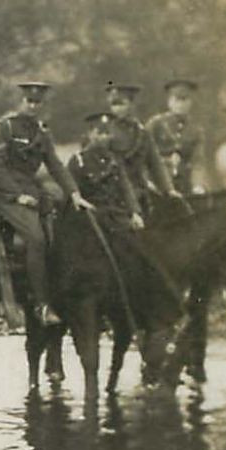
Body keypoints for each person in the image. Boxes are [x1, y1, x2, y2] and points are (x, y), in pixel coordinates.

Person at [0, 81, 94, 324]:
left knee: (62, 229)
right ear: (21, 102)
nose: (33, 106)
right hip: (6, 194)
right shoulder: (5, 127)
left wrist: (75, 194)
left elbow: (54, 164)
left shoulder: (41, 132)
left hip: (33, 191)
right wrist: (16, 195)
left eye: (38, 102)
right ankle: (41, 304)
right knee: (36, 238)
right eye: (29, 101)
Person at [66, 112, 179, 328]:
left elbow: (126, 188)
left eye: (107, 133)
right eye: (99, 133)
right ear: (89, 134)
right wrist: (79, 201)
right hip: (90, 218)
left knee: (142, 254)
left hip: (116, 216)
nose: (104, 138)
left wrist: (135, 212)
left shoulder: (113, 161)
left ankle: (155, 308)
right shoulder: (78, 161)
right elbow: (72, 191)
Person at [103, 83, 181, 209]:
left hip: (140, 191)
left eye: (121, 104)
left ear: (131, 104)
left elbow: (155, 163)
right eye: (113, 104)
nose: (116, 109)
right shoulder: (105, 131)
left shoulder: (141, 133)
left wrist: (168, 189)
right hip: (114, 194)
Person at [146, 79, 209, 195]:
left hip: (184, 183)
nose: (180, 105)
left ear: (190, 103)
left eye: (185, 100)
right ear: (169, 102)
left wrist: (197, 185)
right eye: (176, 100)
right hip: (157, 182)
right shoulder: (156, 124)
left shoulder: (195, 129)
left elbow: (198, 161)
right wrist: (148, 180)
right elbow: (144, 155)